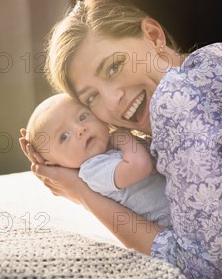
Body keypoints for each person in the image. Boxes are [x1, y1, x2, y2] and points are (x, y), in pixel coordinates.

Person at [20, 0, 222, 279]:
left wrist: (82, 192)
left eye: (114, 67)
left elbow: (206, 269)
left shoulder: (173, 101)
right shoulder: (221, 54)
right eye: (91, 97)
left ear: (154, 35)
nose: (112, 100)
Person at [25, 93, 170, 228]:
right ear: (56, 164)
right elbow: (140, 165)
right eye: (64, 136)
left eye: (82, 117)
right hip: (171, 220)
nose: (80, 129)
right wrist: (123, 137)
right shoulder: (92, 170)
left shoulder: (110, 150)